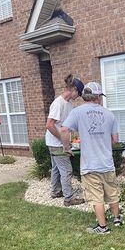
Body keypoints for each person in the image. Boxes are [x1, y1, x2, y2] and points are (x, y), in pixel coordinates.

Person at [60, 81, 122, 234]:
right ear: (98, 96)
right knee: (112, 192)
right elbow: (116, 140)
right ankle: (117, 219)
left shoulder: (77, 112)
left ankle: (102, 228)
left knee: (96, 197)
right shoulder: (109, 114)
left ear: (86, 96)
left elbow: (64, 130)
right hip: (107, 163)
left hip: (90, 165)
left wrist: (67, 147)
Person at [45, 74, 85, 206]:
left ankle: (56, 191)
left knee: (56, 168)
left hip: (57, 142)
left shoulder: (69, 103)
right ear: (73, 89)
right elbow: (49, 125)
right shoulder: (58, 103)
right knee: (66, 170)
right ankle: (68, 198)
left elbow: (67, 123)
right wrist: (63, 140)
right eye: (78, 93)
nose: (78, 96)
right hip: (56, 144)